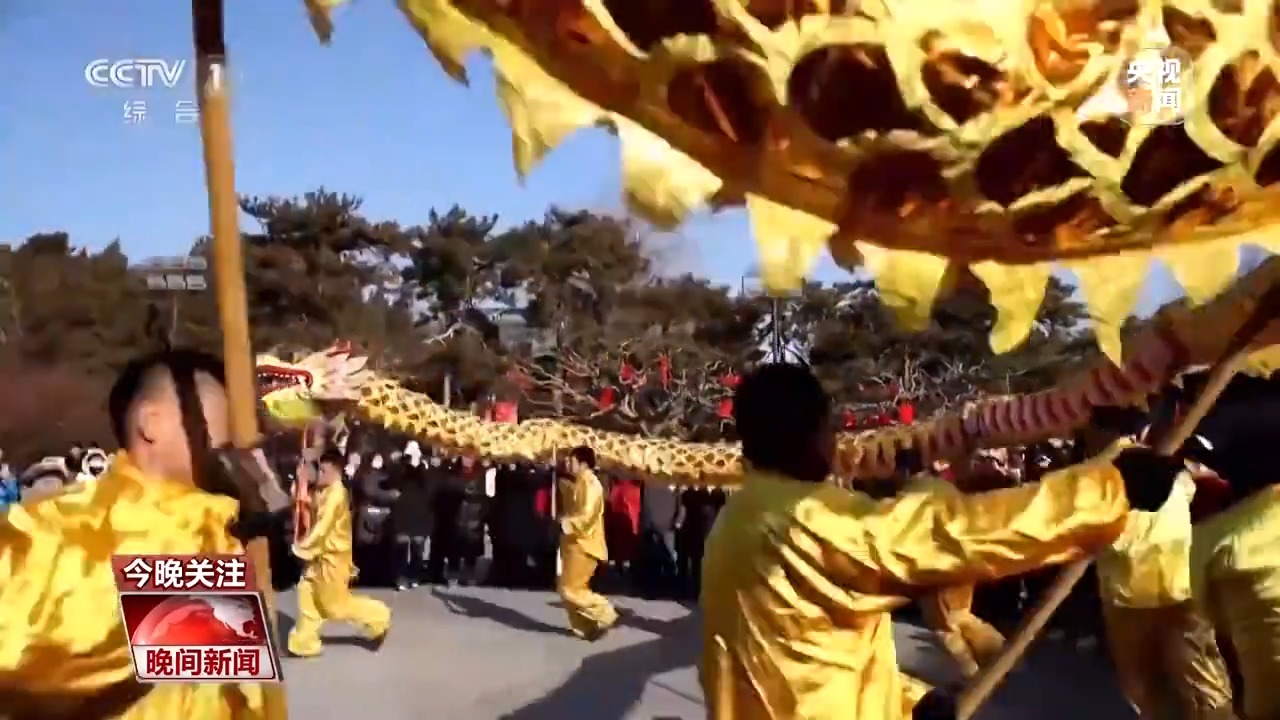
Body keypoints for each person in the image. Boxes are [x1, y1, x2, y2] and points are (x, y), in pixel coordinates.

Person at [699, 363, 1182, 720]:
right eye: (830, 428)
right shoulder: (806, 518)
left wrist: (911, 701)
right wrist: (1108, 489)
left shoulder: (735, 521)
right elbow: (955, 535)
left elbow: (808, 660)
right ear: (812, 433)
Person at [0, 348, 286, 719]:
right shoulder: (55, 525)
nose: (239, 432)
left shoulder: (218, 530)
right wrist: (201, 568)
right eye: (226, 414)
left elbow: (236, 690)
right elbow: (33, 643)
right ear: (152, 422)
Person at [288, 450, 392, 657]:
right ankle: (304, 641)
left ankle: (379, 615)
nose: (320, 474)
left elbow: (323, 529)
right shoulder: (323, 490)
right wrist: (301, 480)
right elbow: (305, 502)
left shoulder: (336, 494)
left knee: (334, 606)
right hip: (320, 557)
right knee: (307, 594)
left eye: (324, 470)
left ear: (335, 471)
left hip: (333, 558)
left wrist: (301, 548)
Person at [557, 445, 619, 641]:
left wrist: (567, 524)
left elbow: (588, 515)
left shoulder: (592, 484)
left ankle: (605, 611)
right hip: (574, 543)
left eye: (571, 460)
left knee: (571, 589)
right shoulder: (580, 482)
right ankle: (586, 627)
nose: (568, 464)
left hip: (585, 545)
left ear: (582, 463)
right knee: (566, 587)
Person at [390, 441, 433, 590]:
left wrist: (420, 465)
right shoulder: (400, 468)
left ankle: (414, 575)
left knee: (417, 547)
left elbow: (429, 486)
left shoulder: (425, 469)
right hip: (403, 511)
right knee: (401, 547)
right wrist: (404, 461)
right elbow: (395, 480)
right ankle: (401, 577)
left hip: (420, 512)